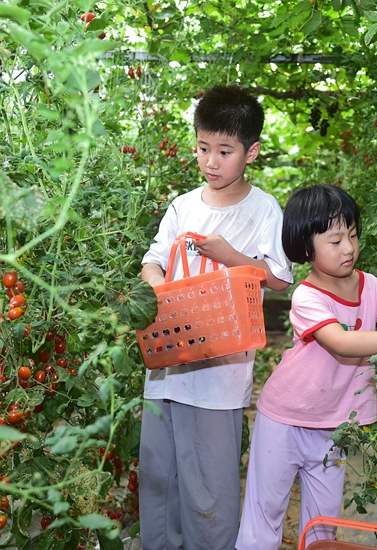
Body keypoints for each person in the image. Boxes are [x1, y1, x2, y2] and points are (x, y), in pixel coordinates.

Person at [235, 184, 377, 550]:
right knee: (264, 515)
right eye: (335, 241)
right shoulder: (307, 296)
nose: (348, 247)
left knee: (323, 524)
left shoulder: (372, 287)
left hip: (335, 428)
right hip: (284, 421)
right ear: (306, 248)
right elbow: (342, 342)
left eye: (352, 235)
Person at [138, 85, 293, 550]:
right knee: (159, 481)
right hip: (167, 364)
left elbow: (280, 278)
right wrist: (154, 286)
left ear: (252, 152)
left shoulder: (263, 209)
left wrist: (230, 256)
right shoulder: (182, 206)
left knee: (211, 494)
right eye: (204, 148)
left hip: (220, 375)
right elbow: (153, 260)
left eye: (225, 151)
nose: (211, 161)